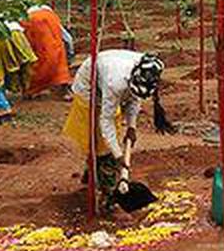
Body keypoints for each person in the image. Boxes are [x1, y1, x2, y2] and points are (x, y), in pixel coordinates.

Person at [62, 50, 174, 208]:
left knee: (105, 138)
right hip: (89, 84)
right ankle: (108, 193)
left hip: (109, 74)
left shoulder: (147, 73)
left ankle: (91, 174)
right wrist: (118, 155)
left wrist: (132, 127)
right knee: (101, 144)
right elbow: (105, 121)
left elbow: (134, 99)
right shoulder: (114, 83)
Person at [20, 4, 73, 97]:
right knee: (59, 59)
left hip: (30, 23)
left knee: (39, 57)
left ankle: (31, 90)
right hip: (48, 25)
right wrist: (70, 53)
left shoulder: (25, 16)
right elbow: (67, 38)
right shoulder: (51, 15)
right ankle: (65, 91)